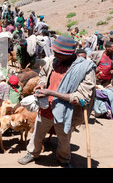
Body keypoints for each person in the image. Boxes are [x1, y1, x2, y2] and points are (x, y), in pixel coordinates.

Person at [18, 35, 96, 168]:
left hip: (65, 110)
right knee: (38, 133)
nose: (54, 55)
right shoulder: (54, 61)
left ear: (70, 54)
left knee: (64, 137)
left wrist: (52, 93)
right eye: (54, 52)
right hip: (46, 107)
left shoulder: (85, 69)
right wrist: (42, 84)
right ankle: (32, 153)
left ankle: (64, 159)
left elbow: (82, 97)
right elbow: (43, 74)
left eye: (58, 53)